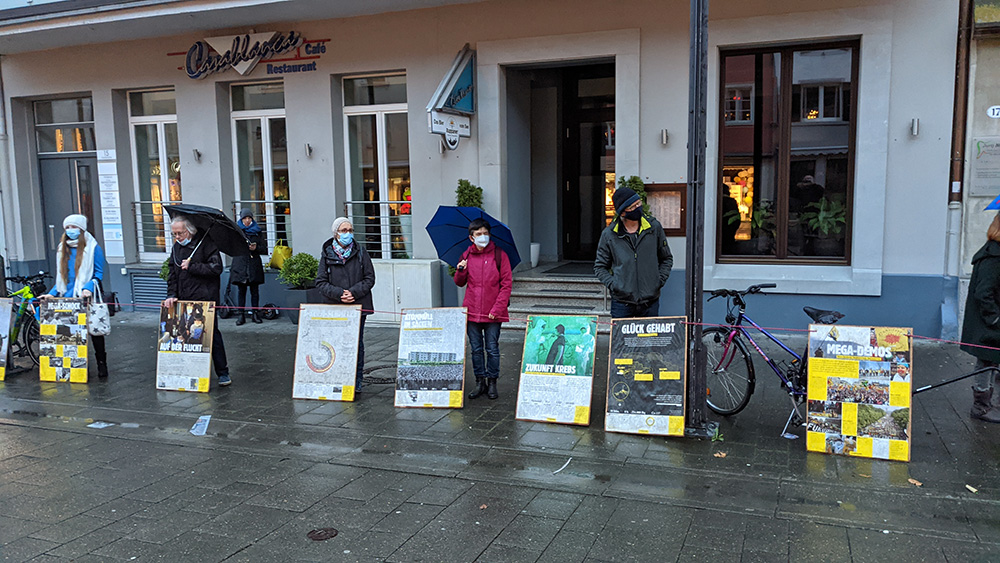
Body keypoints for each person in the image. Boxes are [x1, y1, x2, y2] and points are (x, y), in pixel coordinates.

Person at [162, 216, 231, 387]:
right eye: (174, 234)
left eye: (180, 233)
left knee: (211, 335)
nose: (177, 237)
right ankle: (191, 371)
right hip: (184, 298)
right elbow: (172, 273)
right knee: (184, 334)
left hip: (204, 299)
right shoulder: (177, 248)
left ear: (190, 231)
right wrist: (171, 294)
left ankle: (223, 372)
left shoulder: (206, 244)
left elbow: (216, 268)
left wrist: (193, 266)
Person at [40, 214, 109, 379]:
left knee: (94, 331)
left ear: (82, 229)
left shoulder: (93, 247)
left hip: (86, 296)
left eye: (74, 227)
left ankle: (101, 363)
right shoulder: (61, 248)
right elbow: (62, 277)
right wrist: (52, 293)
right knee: (70, 334)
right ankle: (75, 367)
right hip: (67, 297)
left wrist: (88, 288)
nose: (71, 230)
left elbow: (98, 273)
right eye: (68, 227)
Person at [455, 218, 513, 400]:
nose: (483, 237)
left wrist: (497, 309)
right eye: (478, 234)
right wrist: (460, 270)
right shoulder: (466, 255)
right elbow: (459, 282)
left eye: (485, 233)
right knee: (476, 350)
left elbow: (506, 284)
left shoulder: (499, 255)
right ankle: (480, 382)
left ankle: (492, 382)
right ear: (471, 238)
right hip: (472, 311)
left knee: (492, 349)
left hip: (493, 313)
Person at [315, 217, 376, 393]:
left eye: (350, 230)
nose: (347, 234)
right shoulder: (327, 254)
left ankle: (356, 380)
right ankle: (338, 377)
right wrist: (339, 294)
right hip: (335, 306)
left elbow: (369, 278)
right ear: (336, 233)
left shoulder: (361, 252)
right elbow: (321, 282)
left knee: (357, 344)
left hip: (358, 306)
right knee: (335, 344)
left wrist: (353, 292)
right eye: (344, 230)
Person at [594, 186, 673, 318]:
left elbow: (666, 258)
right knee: (620, 333)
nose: (638, 208)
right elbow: (600, 267)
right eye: (633, 207)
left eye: (638, 203)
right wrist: (615, 285)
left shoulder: (654, 228)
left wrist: (658, 281)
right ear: (623, 213)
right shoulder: (610, 235)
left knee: (650, 332)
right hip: (621, 303)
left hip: (650, 302)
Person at [960, 213, 1000, 423]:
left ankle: (990, 404)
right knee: (986, 360)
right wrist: (995, 319)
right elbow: (984, 293)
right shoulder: (993, 256)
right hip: (988, 324)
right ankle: (981, 406)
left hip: (991, 322)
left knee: (993, 360)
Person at [230, 208, 267, 325]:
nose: (247, 220)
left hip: (253, 264)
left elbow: (264, 248)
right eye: (245, 218)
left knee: (254, 291)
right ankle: (241, 315)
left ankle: (255, 314)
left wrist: (256, 248)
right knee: (241, 291)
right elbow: (231, 247)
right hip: (240, 263)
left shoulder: (257, 231)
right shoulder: (236, 231)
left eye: (249, 218)